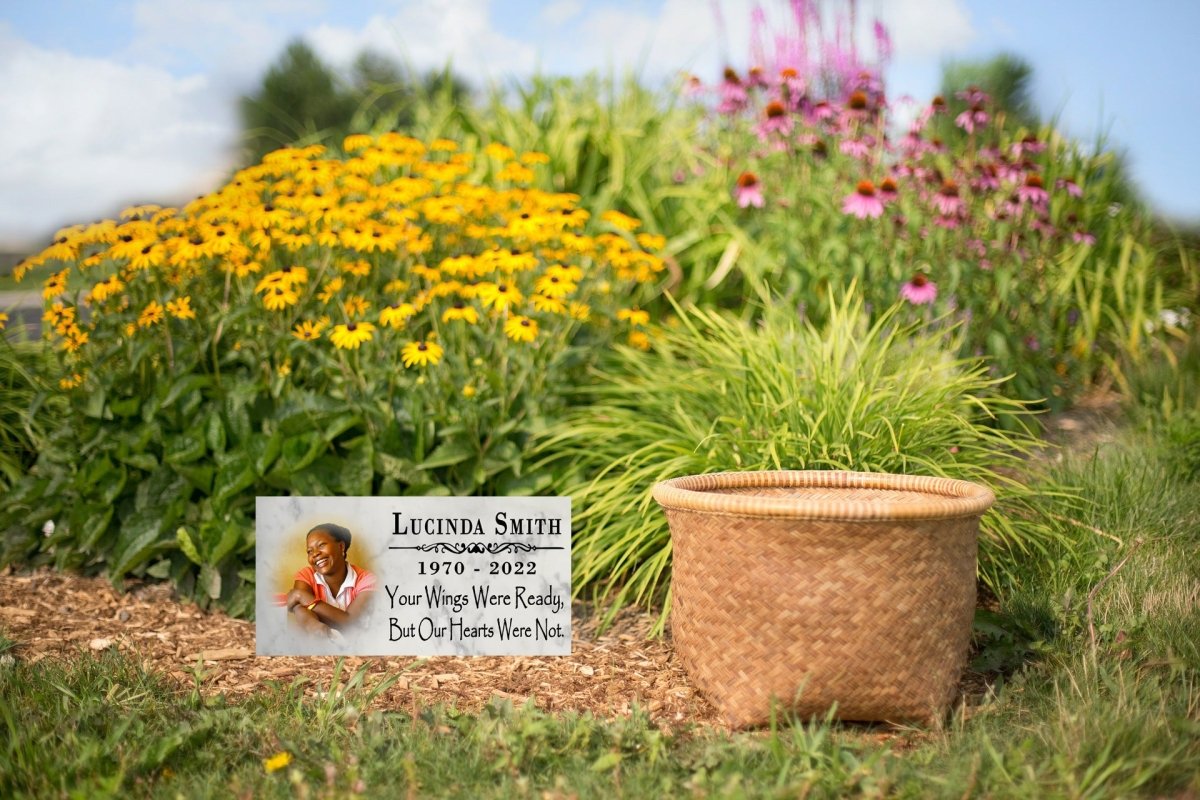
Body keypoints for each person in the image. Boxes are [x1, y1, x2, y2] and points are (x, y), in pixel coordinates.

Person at [285, 523, 376, 638]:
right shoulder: (306, 575)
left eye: (321, 545)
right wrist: (315, 626)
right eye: (309, 551)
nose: (315, 554)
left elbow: (350, 624)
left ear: (341, 547)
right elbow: (299, 609)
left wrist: (302, 596)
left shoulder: (367, 581)